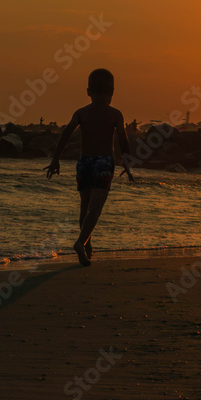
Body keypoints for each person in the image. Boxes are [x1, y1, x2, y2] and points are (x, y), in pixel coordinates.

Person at [44, 69, 134, 266]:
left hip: (84, 162)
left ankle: (87, 245)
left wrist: (55, 159)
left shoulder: (81, 113)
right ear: (112, 92)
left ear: (88, 91)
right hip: (103, 162)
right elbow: (122, 140)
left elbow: (66, 134)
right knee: (96, 208)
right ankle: (80, 243)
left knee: (85, 207)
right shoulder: (115, 114)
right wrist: (126, 162)